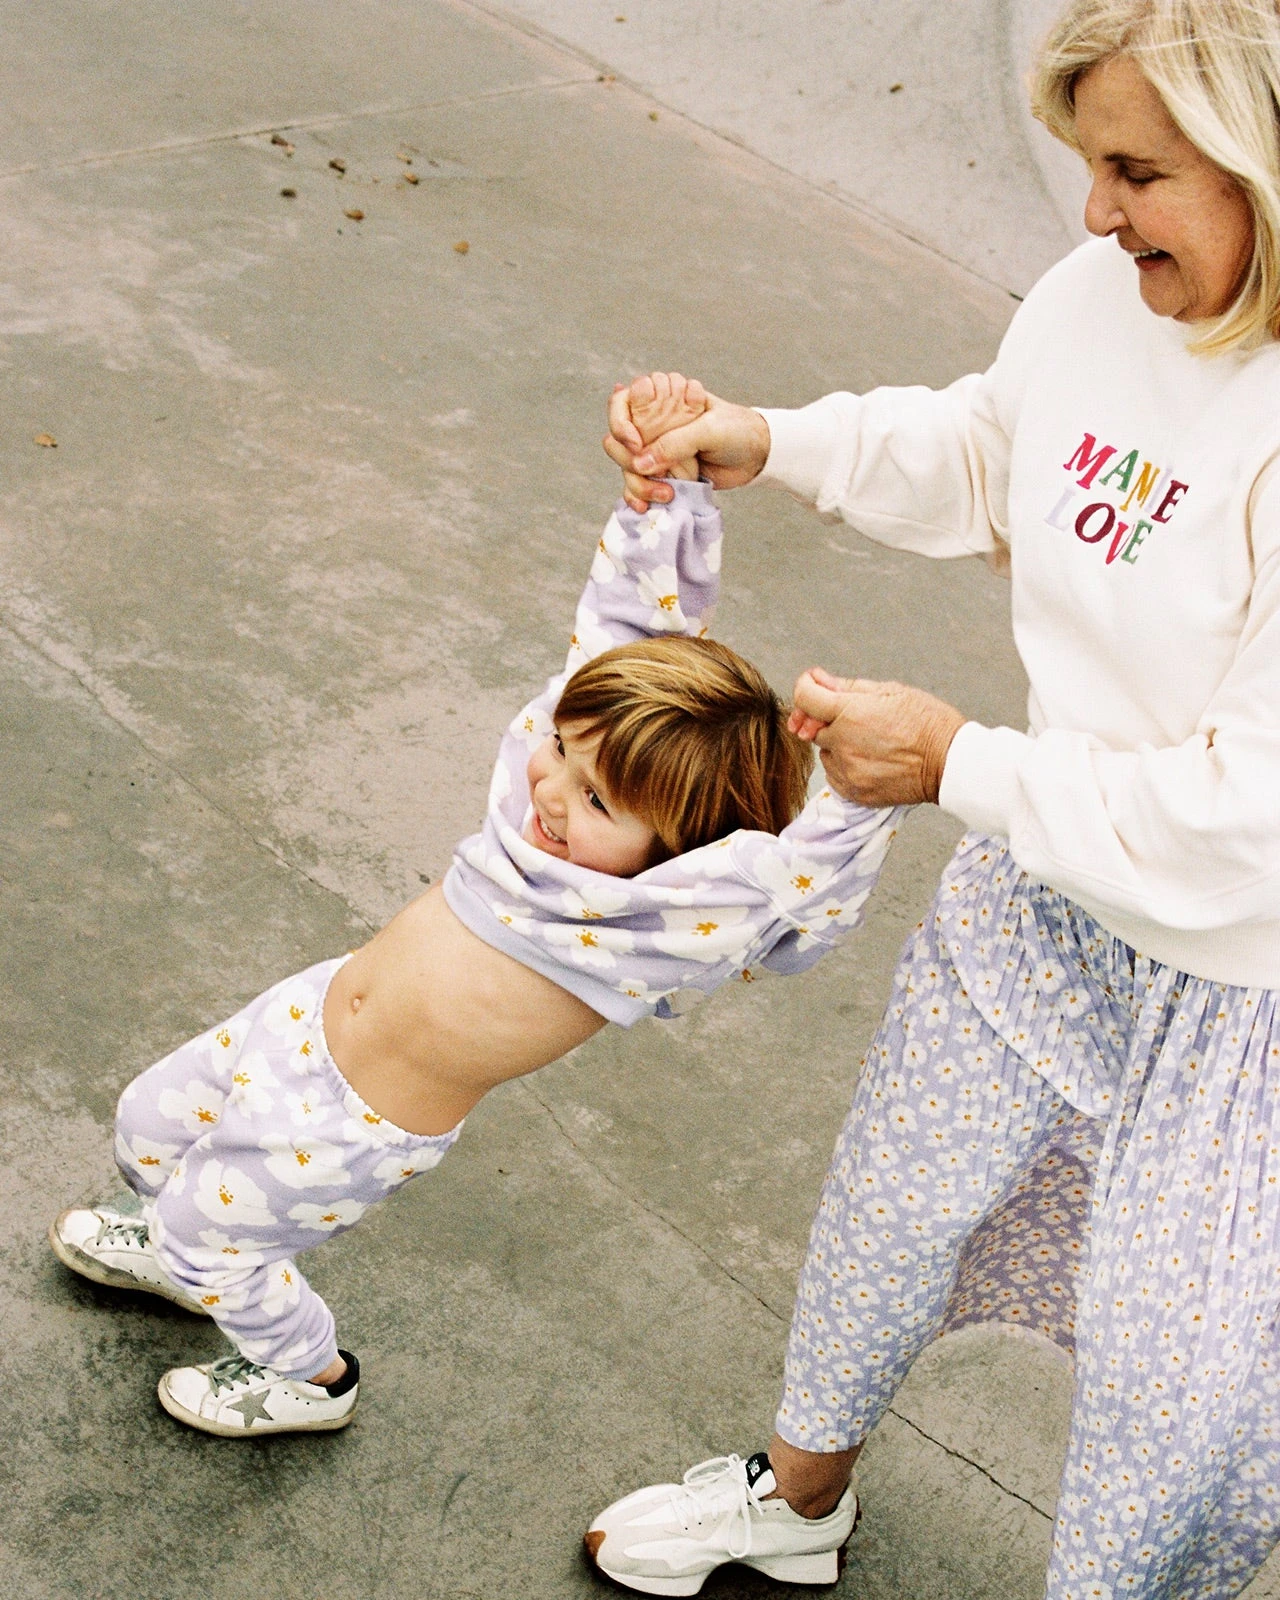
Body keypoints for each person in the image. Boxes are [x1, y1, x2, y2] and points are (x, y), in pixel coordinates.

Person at [584, 3, 1280, 1596]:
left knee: (1174, 1398)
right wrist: (770, 442)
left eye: (1138, 174)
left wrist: (957, 760)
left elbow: (1250, 813)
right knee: (893, 1209)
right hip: (1049, 885)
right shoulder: (1100, 296)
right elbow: (989, 450)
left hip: (1249, 998)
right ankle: (797, 1500)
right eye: (1088, 165)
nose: (1095, 213)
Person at [48, 377, 901, 1438]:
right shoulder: (538, 803)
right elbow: (618, 638)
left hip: (350, 1127)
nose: (553, 790)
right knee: (148, 1125)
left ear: (684, 854)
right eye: (562, 751)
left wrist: (857, 795)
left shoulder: (644, 925)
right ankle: (186, 1247)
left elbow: (795, 891)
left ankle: (307, 1376)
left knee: (211, 1244)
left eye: (598, 800)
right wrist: (665, 505)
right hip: (301, 1018)